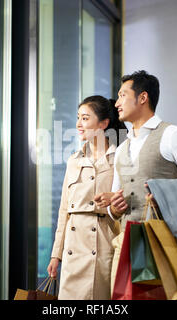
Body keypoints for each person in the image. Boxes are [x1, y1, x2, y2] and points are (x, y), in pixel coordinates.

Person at [94, 70, 177, 296]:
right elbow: (116, 205)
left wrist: (161, 194)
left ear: (143, 97)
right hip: (128, 246)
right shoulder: (121, 150)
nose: (117, 103)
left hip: (166, 244)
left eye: (122, 95)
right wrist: (113, 207)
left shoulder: (173, 135)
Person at [47, 95, 127, 300]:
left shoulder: (120, 158)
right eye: (78, 118)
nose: (78, 124)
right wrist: (56, 254)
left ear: (103, 123)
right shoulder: (73, 160)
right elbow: (64, 210)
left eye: (85, 118)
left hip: (103, 246)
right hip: (73, 250)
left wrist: (111, 201)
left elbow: (129, 201)